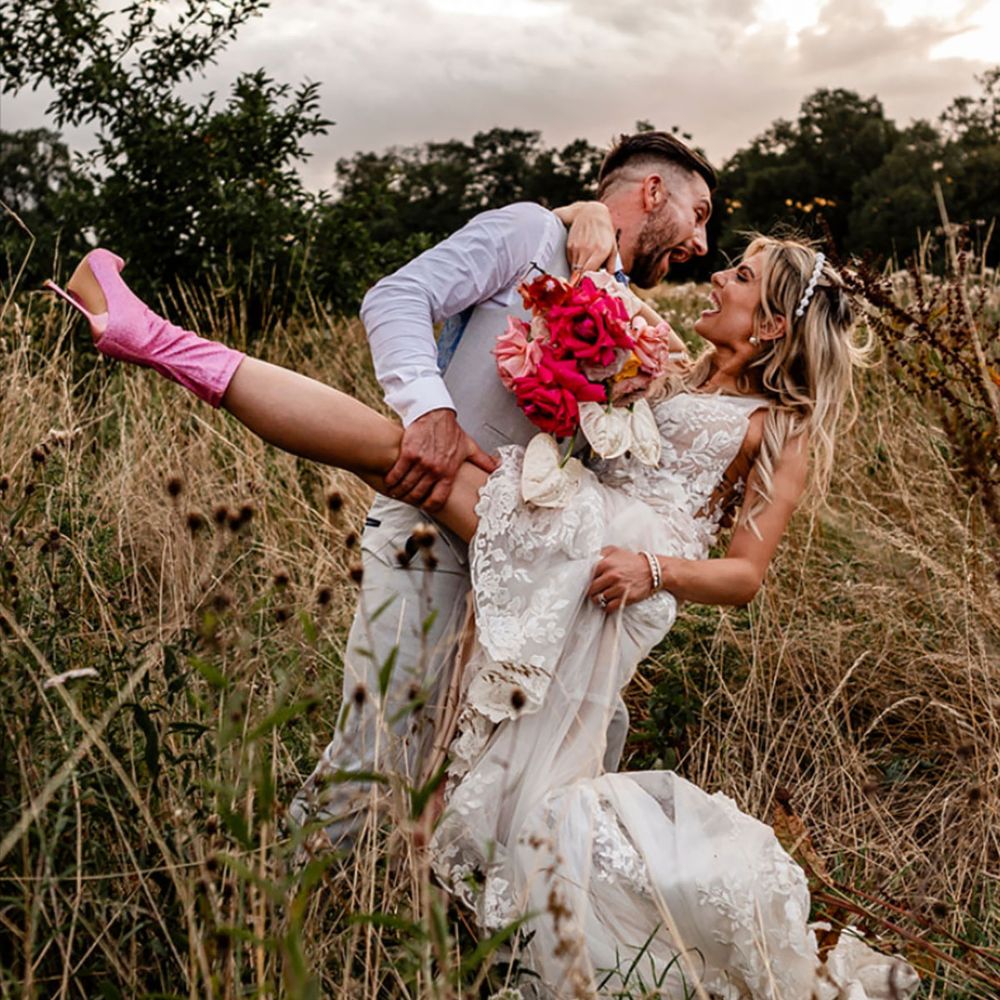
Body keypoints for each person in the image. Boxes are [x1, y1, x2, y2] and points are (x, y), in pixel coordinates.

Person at [47, 232, 918, 998]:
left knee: (400, 458)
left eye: (740, 275)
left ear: (769, 325)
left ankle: (154, 339)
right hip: (577, 522)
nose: (719, 277)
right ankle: (152, 339)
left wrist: (652, 568)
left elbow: (746, 575)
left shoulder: (780, 427)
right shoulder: (674, 371)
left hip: (610, 567)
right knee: (409, 460)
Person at [286, 130, 716, 846]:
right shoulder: (529, 231)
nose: (701, 243)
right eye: (698, 213)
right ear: (651, 192)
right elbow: (398, 295)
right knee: (383, 741)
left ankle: (471, 919)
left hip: (535, 571)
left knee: (519, 759)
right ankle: (286, 908)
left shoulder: (634, 316)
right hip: (430, 526)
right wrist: (430, 410)